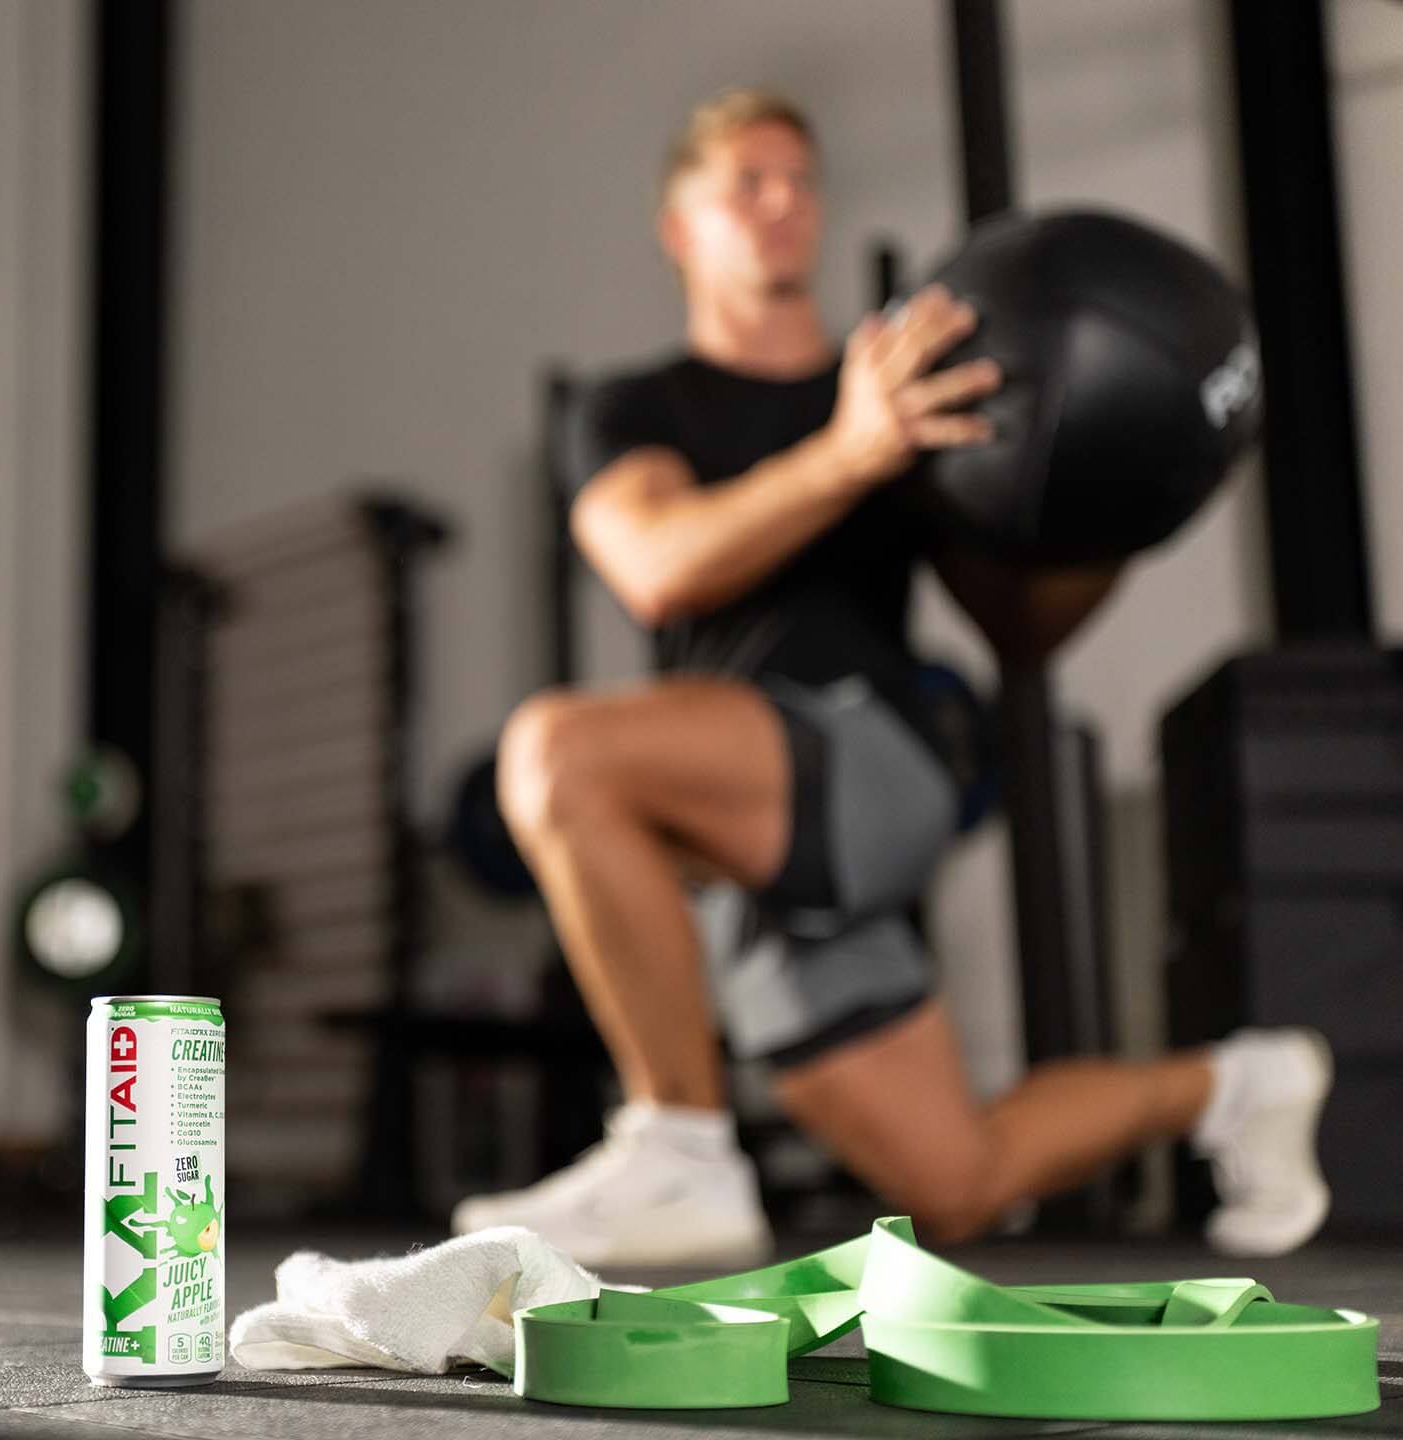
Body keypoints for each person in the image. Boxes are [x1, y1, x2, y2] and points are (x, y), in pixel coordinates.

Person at [450, 88, 1330, 1266]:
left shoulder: (908, 383)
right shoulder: (640, 408)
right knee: (954, 1182)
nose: (782, 207)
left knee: (558, 753)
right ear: (677, 225)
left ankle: (674, 1146)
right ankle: (1240, 1087)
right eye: (745, 184)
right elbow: (657, 568)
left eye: (801, 182)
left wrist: (1126, 491)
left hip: (875, 759)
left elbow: (1021, 630)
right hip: (758, 837)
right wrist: (845, 454)